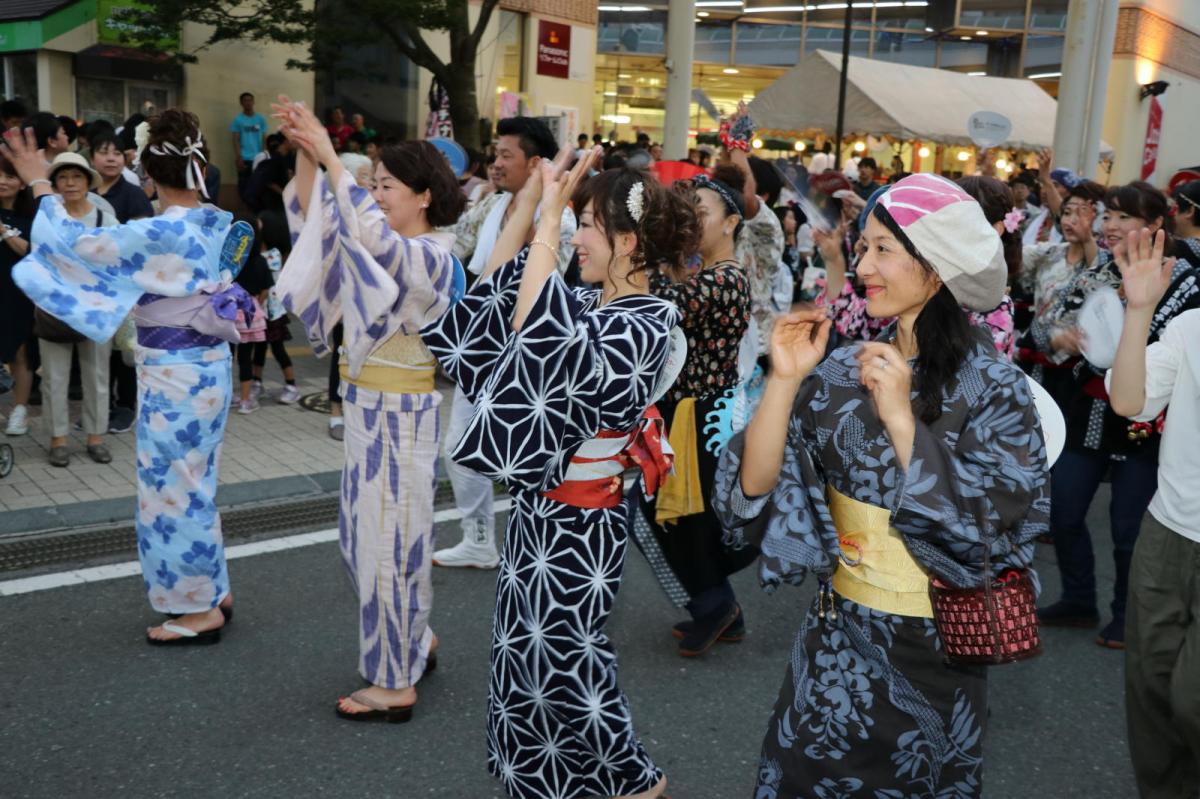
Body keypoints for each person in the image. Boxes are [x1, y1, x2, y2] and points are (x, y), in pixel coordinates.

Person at [714, 173, 1049, 796]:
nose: (862, 263)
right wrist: (784, 380)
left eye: (882, 249)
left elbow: (987, 525)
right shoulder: (843, 367)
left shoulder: (997, 388)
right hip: (834, 642)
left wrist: (901, 418)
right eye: (861, 246)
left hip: (938, 650)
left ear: (937, 265)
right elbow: (753, 489)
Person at [423, 147, 681, 799]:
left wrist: (548, 218)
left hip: (583, 518)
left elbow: (545, 336)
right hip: (542, 511)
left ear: (627, 241)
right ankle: (561, 782)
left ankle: (629, 777)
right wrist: (531, 210)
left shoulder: (647, 321)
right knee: (526, 658)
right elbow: (503, 299)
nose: (577, 240)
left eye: (587, 226)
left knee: (563, 657)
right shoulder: (590, 304)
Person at [5, 108, 246, 642]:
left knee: (170, 488)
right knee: (195, 481)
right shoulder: (214, 220)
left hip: (174, 372)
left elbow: (73, 246)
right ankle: (212, 587)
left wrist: (39, 181)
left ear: (150, 175)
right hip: (208, 368)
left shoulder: (160, 231)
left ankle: (196, 609)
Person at [275, 96, 465, 721]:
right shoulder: (380, 238)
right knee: (361, 542)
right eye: (372, 183)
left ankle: (393, 681)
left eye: (386, 185)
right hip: (364, 407)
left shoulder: (435, 255)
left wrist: (332, 156)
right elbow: (314, 225)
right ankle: (413, 639)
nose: (375, 193)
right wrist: (308, 156)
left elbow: (374, 242)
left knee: (388, 546)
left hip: (402, 412)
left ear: (424, 196)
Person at [1034, 181, 1200, 649]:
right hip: (1087, 410)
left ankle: (1129, 615)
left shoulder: (1188, 277)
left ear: (1155, 226)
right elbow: (1044, 324)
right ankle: (1079, 598)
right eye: (1107, 216)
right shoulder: (1098, 272)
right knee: (1063, 511)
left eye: (1122, 218)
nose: (1109, 226)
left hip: (1147, 423)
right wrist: (1061, 338)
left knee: (1129, 529)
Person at [436, 116, 576, 570]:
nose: (495, 163)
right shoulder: (489, 203)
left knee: (525, 453)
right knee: (459, 445)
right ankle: (478, 537)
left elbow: (547, 284)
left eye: (505, 155)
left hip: (530, 352)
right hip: (483, 345)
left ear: (536, 162)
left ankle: (532, 539)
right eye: (494, 155)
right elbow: (453, 250)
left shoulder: (562, 216)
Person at [638, 172, 754, 655]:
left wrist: (638, 262)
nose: (690, 220)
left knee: (690, 517)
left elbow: (661, 307)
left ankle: (715, 604)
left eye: (700, 212)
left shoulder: (725, 277)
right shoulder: (700, 272)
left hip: (701, 416)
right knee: (677, 513)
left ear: (730, 222)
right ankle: (717, 606)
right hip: (684, 410)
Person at [1106, 227, 1200, 798]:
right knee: (1152, 694)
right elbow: (1129, 401)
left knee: (1192, 701)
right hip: (1167, 535)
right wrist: (1141, 310)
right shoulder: (1192, 327)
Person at [35, 153, 117, 466]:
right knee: (54, 377)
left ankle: (96, 438)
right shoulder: (47, 217)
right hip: (54, 307)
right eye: (63, 177)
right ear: (55, 184)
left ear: (87, 182)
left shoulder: (104, 219)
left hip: (96, 310)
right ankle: (58, 439)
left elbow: (118, 263)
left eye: (77, 176)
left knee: (97, 374)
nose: (70, 183)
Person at [1016, 180, 1105, 402]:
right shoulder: (1049, 252)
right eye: (1067, 213)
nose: (1072, 221)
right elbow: (1011, 259)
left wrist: (1088, 238)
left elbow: (1098, 271)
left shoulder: (1106, 263)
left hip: (1075, 371)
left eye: (1082, 214)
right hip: (1035, 357)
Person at [0, 151, 34, 436]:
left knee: (19, 353)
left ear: (22, 182)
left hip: (18, 293)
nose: (2, 181)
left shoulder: (31, 216)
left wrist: (4, 231)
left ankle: (19, 411)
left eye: (9, 176)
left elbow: (31, 252)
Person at [230, 91, 268, 200]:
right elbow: (235, 139)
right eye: (245, 100)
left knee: (257, 183)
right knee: (243, 184)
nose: (248, 103)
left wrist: (265, 155)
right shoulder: (238, 120)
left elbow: (264, 138)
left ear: (253, 102)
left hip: (258, 158)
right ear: (241, 103)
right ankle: (243, 209)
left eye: (250, 100)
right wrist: (239, 157)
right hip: (244, 158)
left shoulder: (260, 119)